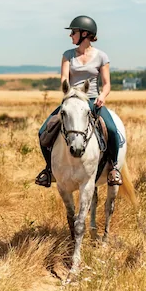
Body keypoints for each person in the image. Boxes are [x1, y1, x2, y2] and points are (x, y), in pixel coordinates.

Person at [35, 15, 122, 187]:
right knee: (43, 131)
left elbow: (106, 84)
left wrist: (102, 97)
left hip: (92, 101)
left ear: (84, 34)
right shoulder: (68, 55)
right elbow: (64, 79)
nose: (70, 36)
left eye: (73, 32)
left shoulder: (102, 57)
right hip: (71, 100)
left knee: (112, 130)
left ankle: (113, 167)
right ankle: (49, 170)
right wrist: (69, 92)